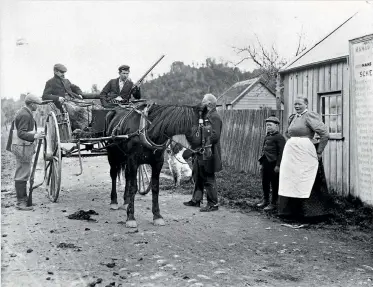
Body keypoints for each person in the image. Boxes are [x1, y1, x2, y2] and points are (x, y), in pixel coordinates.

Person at [278, 96, 330, 222]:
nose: (297, 106)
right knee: (291, 180)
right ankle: (290, 212)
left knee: (305, 179)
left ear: (306, 104)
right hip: (292, 154)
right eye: (295, 104)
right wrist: (293, 142)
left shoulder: (309, 116)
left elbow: (324, 134)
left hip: (306, 153)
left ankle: (311, 214)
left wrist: (318, 151)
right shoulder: (293, 117)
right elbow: (287, 132)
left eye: (299, 104)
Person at [183, 93, 223, 212]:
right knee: (198, 176)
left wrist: (201, 141)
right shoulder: (205, 115)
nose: (201, 103)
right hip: (200, 152)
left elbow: (215, 136)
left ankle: (213, 204)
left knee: (208, 177)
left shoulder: (215, 116)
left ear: (209, 104)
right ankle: (196, 200)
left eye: (203, 101)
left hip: (209, 152)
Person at [6, 94, 45, 211]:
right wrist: (35, 135)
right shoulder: (24, 115)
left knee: (24, 172)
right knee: (22, 173)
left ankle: (24, 199)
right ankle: (21, 202)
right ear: (32, 104)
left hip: (23, 147)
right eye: (36, 105)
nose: (37, 107)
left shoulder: (25, 112)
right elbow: (21, 133)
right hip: (22, 147)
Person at [42, 64, 91, 131]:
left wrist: (80, 94)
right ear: (55, 71)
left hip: (74, 100)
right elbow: (45, 96)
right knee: (78, 110)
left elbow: (75, 87)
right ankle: (82, 128)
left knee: (90, 107)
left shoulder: (66, 81)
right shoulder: (50, 82)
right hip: (63, 103)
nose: (63, 74)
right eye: (61, 72)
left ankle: (90, 125)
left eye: (64, 72)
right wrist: (57, 98)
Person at [257, 115, 286, 211]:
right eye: (267, 125)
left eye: (270, 125)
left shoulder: (280, 138)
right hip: (266, 162)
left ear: (277, 125)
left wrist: (278, 165)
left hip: (274, 164)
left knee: (274, 183)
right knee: (265, 182)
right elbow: (264, 149)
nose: (268, 127)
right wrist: (261, 162)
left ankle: (274, 203)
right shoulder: (267, 136)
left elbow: (281, 153)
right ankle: (265, 200)